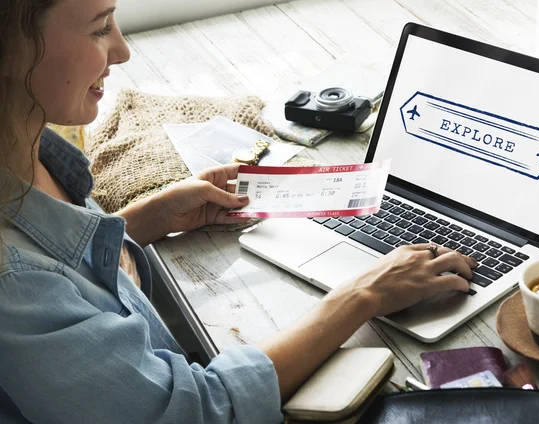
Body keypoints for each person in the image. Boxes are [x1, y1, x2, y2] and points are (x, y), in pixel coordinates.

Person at [0, 1, 478, 423]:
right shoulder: (14, 286)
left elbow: (66, 267)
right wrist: (362, 295)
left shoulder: (30, 148)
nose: (123, 50)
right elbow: (197, 411)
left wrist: (147, 220)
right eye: (100, 28)